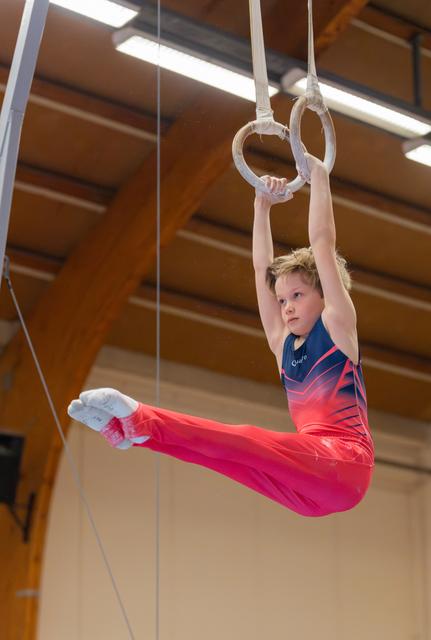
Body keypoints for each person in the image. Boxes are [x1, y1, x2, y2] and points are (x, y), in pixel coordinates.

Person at [68, 154, 374, 517]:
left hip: (345, 463)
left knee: (243, 439)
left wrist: (319, 177)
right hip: (311, 490)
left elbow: (322, 243)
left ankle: (142, 417)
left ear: (325, 293)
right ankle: (134, 433)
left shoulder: (338, 326)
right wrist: (261, 206)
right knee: (225, 458)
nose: (286, 307)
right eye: (282, 299)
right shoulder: (282, 344)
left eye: (297, 296)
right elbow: (262, 268)